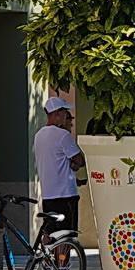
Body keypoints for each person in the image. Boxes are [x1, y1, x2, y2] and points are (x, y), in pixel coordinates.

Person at [33, 97, 85, 242]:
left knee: (49, 232)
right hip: (66, 194)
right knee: (66, 235)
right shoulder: (62, 135)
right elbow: (80, 160)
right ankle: (63, 264)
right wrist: (74, 164)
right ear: (56, 113)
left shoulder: (38, 135)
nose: (66, 116)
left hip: (48, 195)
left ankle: (48, 263)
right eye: (64, 112)